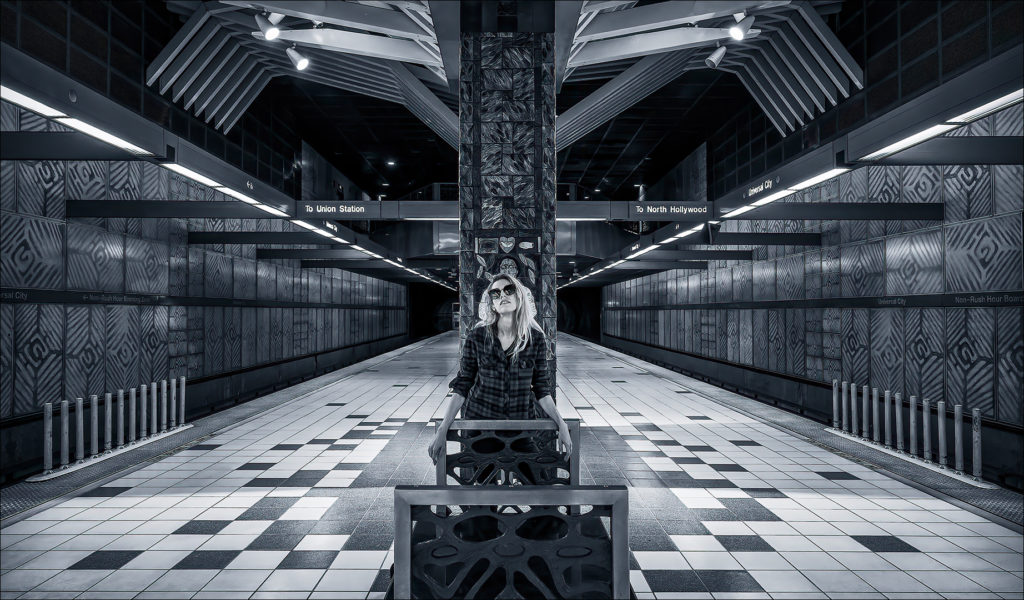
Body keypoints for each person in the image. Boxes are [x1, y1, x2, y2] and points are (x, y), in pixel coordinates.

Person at [428, 273, 572, 467]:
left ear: (519, 296)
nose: (502, 295)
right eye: (495, 293)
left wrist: (561, 424)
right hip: (481, 427)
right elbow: (462, 386)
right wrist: (443, 429)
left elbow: (542, 389)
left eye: (508, 290)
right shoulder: (477, 337)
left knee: (532, 477)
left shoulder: (535, 339)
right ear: (492, 304)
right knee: (485, 481)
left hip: (520, 428)